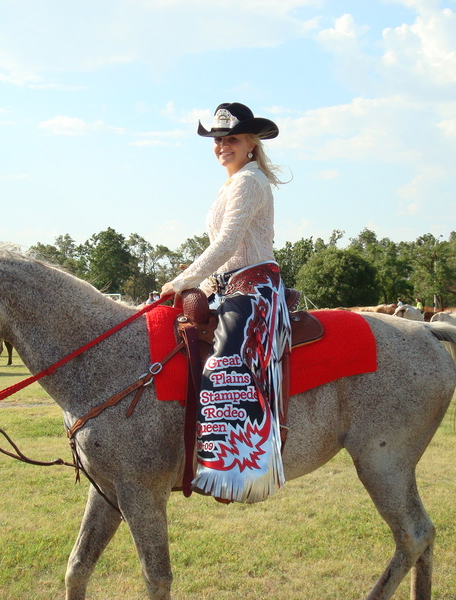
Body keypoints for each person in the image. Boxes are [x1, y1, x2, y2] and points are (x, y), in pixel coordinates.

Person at [160, 102, 290, 504]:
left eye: (231, 139)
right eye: (218, 140)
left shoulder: (251, 181)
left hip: (254, 289)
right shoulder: (232, 183)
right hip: (228, 286)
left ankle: (239, 473)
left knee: (225, 364)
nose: (222, 146)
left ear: (252, 143)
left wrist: (183, 281)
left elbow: (229, 242)